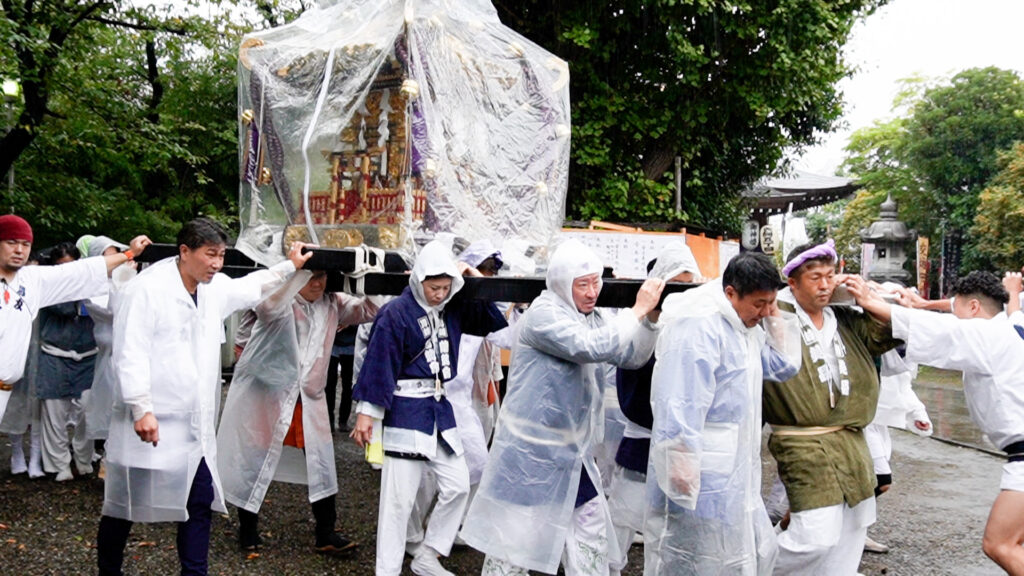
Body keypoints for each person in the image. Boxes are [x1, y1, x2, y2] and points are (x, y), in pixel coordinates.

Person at [96, 217, 312, 576]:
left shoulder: (212, 289)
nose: (217, 264)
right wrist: (141, 407)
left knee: (198, 502)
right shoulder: (147, 289)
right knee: (124, 506)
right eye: (210, 255)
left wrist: (290, 265)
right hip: (149, 421)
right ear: (185, 251)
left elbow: (252, 286)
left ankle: (194, 572)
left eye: (222, 255)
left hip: (192, 425)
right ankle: (108, 570)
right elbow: (129, 351)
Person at [460, 238, 666, 576]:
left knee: (590, 527)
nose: (591, 292)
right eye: (582, 284)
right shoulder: (544, 314)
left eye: (596, 282)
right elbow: (589, 347)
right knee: (513, 542)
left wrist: (650, 320)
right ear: (560, 283)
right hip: (530, 454)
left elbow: (631, 356)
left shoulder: (591, 318)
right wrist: (637, 310)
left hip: (571, 454)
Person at [847, 270, 1024, 575]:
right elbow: (955, 318)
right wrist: (920, 304)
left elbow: (942, 331)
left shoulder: (988, 336)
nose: (952, 316)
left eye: (956, 309)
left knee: (1000, 544)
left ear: (973, 308)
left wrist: (872, 302)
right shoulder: (1011, 327)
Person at [350, 240, 508, 576]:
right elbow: (379, 364)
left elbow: (491, 322)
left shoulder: (453, 305)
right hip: (405, 410)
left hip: (440, 408)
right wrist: (368, 413)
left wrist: (472, 282)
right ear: (418, 280)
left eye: (445, 287)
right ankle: (387, 570)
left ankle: (429, 553)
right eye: (433, 287)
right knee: (398, 503)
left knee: (458, 485)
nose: (439, 294)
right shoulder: (395, 314)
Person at [644, 251, 800, 575]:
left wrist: (771, 316)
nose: (764, 311)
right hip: (702, 463)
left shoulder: (745, 326)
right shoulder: (699, 325)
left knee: (731, 551)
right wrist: (679, 461)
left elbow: (783, 366)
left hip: (735, 464)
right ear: (731, 293)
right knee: (694, 553)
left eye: (770, 302)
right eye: (759, 303)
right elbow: (678, 398)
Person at [216, 268, 380, 555]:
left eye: (322, 275)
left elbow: (371, 309)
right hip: (269, 391)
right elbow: (266, 306)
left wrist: (366, 271)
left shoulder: (333, 303)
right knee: (255, 454)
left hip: (310, 397)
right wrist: (291, 272)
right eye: (309, 275)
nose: (317, 282)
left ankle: (326, 532)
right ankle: (248, 527)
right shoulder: (281, 301)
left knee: (321, 461)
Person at [764, 240, 901, 576]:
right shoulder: (774, 315)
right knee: (814, 538)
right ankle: (754, 569)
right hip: (803, 441)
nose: (825, 285)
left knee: (851, 535)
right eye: (815, 278)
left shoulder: (846, 317)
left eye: (830, 275)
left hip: (853, 440)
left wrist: (863, 296)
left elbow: (887, 334)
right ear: (792, 282)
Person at [605, 240, 703, 575]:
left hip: (682, 445)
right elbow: (631, 367)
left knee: (675, 525)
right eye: (676, 284)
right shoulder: (641, 325)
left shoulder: (700, 329)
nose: (683, 293)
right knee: (621, 517)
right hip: (643, 437)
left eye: (690, 284)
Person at [0, 214, 151, 421]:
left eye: (25, 244)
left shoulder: (31, 280)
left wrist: (130, 253)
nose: (19, 250)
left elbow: (81, 271)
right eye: (11, 243)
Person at [35, 242, 98, 481]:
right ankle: (58, 464)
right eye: (62, 266)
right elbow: (63, 309)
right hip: (54, 354)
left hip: (87, 355)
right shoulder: (45, 285)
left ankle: (83, 457)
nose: (67, 271)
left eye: (72, 266)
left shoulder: (91, 284)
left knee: (87, 410)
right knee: (54, 413)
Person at [861, 346, 932, 554]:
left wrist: (918, 414)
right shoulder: (873, 345)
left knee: (871, 482)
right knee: (880, 480)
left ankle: (855, 532)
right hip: (863, 419)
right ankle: (847, 529)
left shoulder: (906, 350)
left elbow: (904, 384)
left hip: (880, 423)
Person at [81, 235, 137, 469]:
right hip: (108, 354)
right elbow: (115, 310)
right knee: (106, 408)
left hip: (130, 354)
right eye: (108, 255)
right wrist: (124, 280)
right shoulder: (93, 288)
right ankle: (100, 457)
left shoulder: (128, 281)